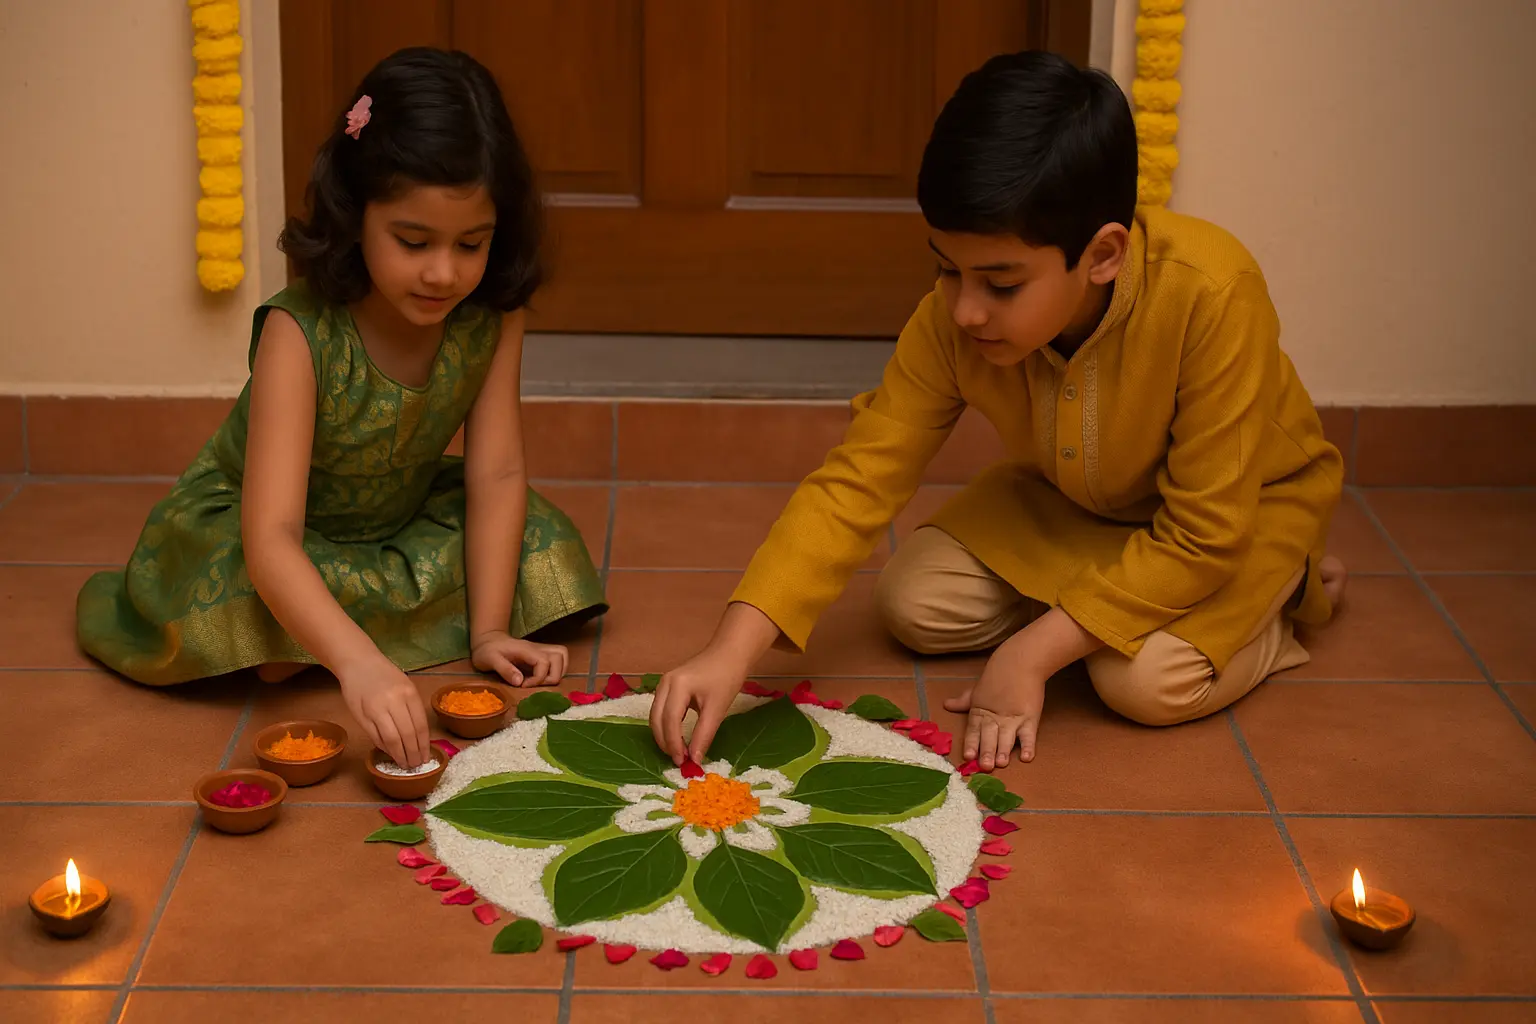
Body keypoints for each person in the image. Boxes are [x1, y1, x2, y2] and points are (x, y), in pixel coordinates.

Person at [650, 50, 1345, 773]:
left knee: (1143, 684)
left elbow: (1206, 532)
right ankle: (1109, 611)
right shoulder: (950, 319)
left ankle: (1288, 586)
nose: (967, 308)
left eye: (1002, 283)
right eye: (946, 268)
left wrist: (1031, 655)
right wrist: (728, 652)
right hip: (1077, 512)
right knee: (914, 604)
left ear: (1103, 254)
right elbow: (859, 480)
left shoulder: (1213, 292)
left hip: (1237, 520)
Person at [78, 48, 606, 767]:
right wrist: (359, 666)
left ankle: (344, 631)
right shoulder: (301, 331)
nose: (443, 272)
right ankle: (345, 635)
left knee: (543, 547)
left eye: (471, 244)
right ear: (355, 215)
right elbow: (270, 536)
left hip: (399, 522)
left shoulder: (491, 315)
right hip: (267, 534)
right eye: (413, 241)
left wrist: (486, 634)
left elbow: (497, 474)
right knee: (252, 621)